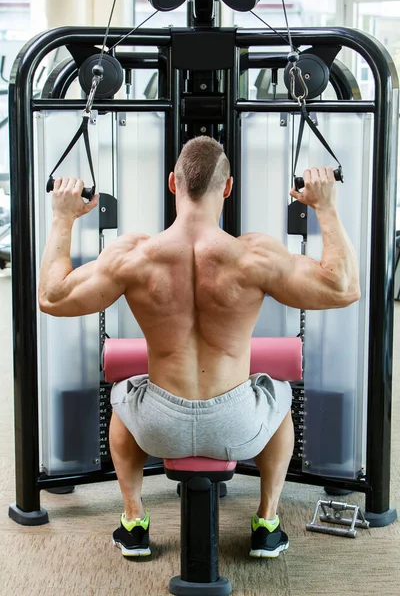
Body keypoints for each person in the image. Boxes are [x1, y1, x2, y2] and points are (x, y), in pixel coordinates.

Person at [38, 136, 360, 560]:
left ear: (172, 183)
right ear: (227, 189)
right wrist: (325, 207)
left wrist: (63, 218)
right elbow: (344, 288)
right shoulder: (252, 256)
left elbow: (52, 297)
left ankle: (134, 521)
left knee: (124, 396)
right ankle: (267, 522)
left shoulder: (134, 255)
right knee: (277, 397)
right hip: (237, 427)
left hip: (158, 427)